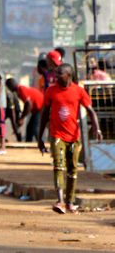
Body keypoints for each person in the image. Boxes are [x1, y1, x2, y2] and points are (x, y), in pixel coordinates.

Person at [38, 63, 102, 214]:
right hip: (56, 135)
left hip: (73, 136)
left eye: (60, 74)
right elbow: (44, 114)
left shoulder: (79, 91)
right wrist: (40, 137)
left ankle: (70, 202)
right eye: (56, 73)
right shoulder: (51, 91)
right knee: (58, 165)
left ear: (68, 75)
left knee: (72, 170)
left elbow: (90, 111)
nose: (56, 77)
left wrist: (97, 128)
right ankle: (59, 201)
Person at [5, 78, 44, 142]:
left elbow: (29, 104)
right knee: (29, 128)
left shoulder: (21, 89)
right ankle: (28, 143)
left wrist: (22, 118)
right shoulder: (19, 91)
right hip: (37, 109)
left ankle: (40, 143)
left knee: (35, 128)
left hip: (41, 107)